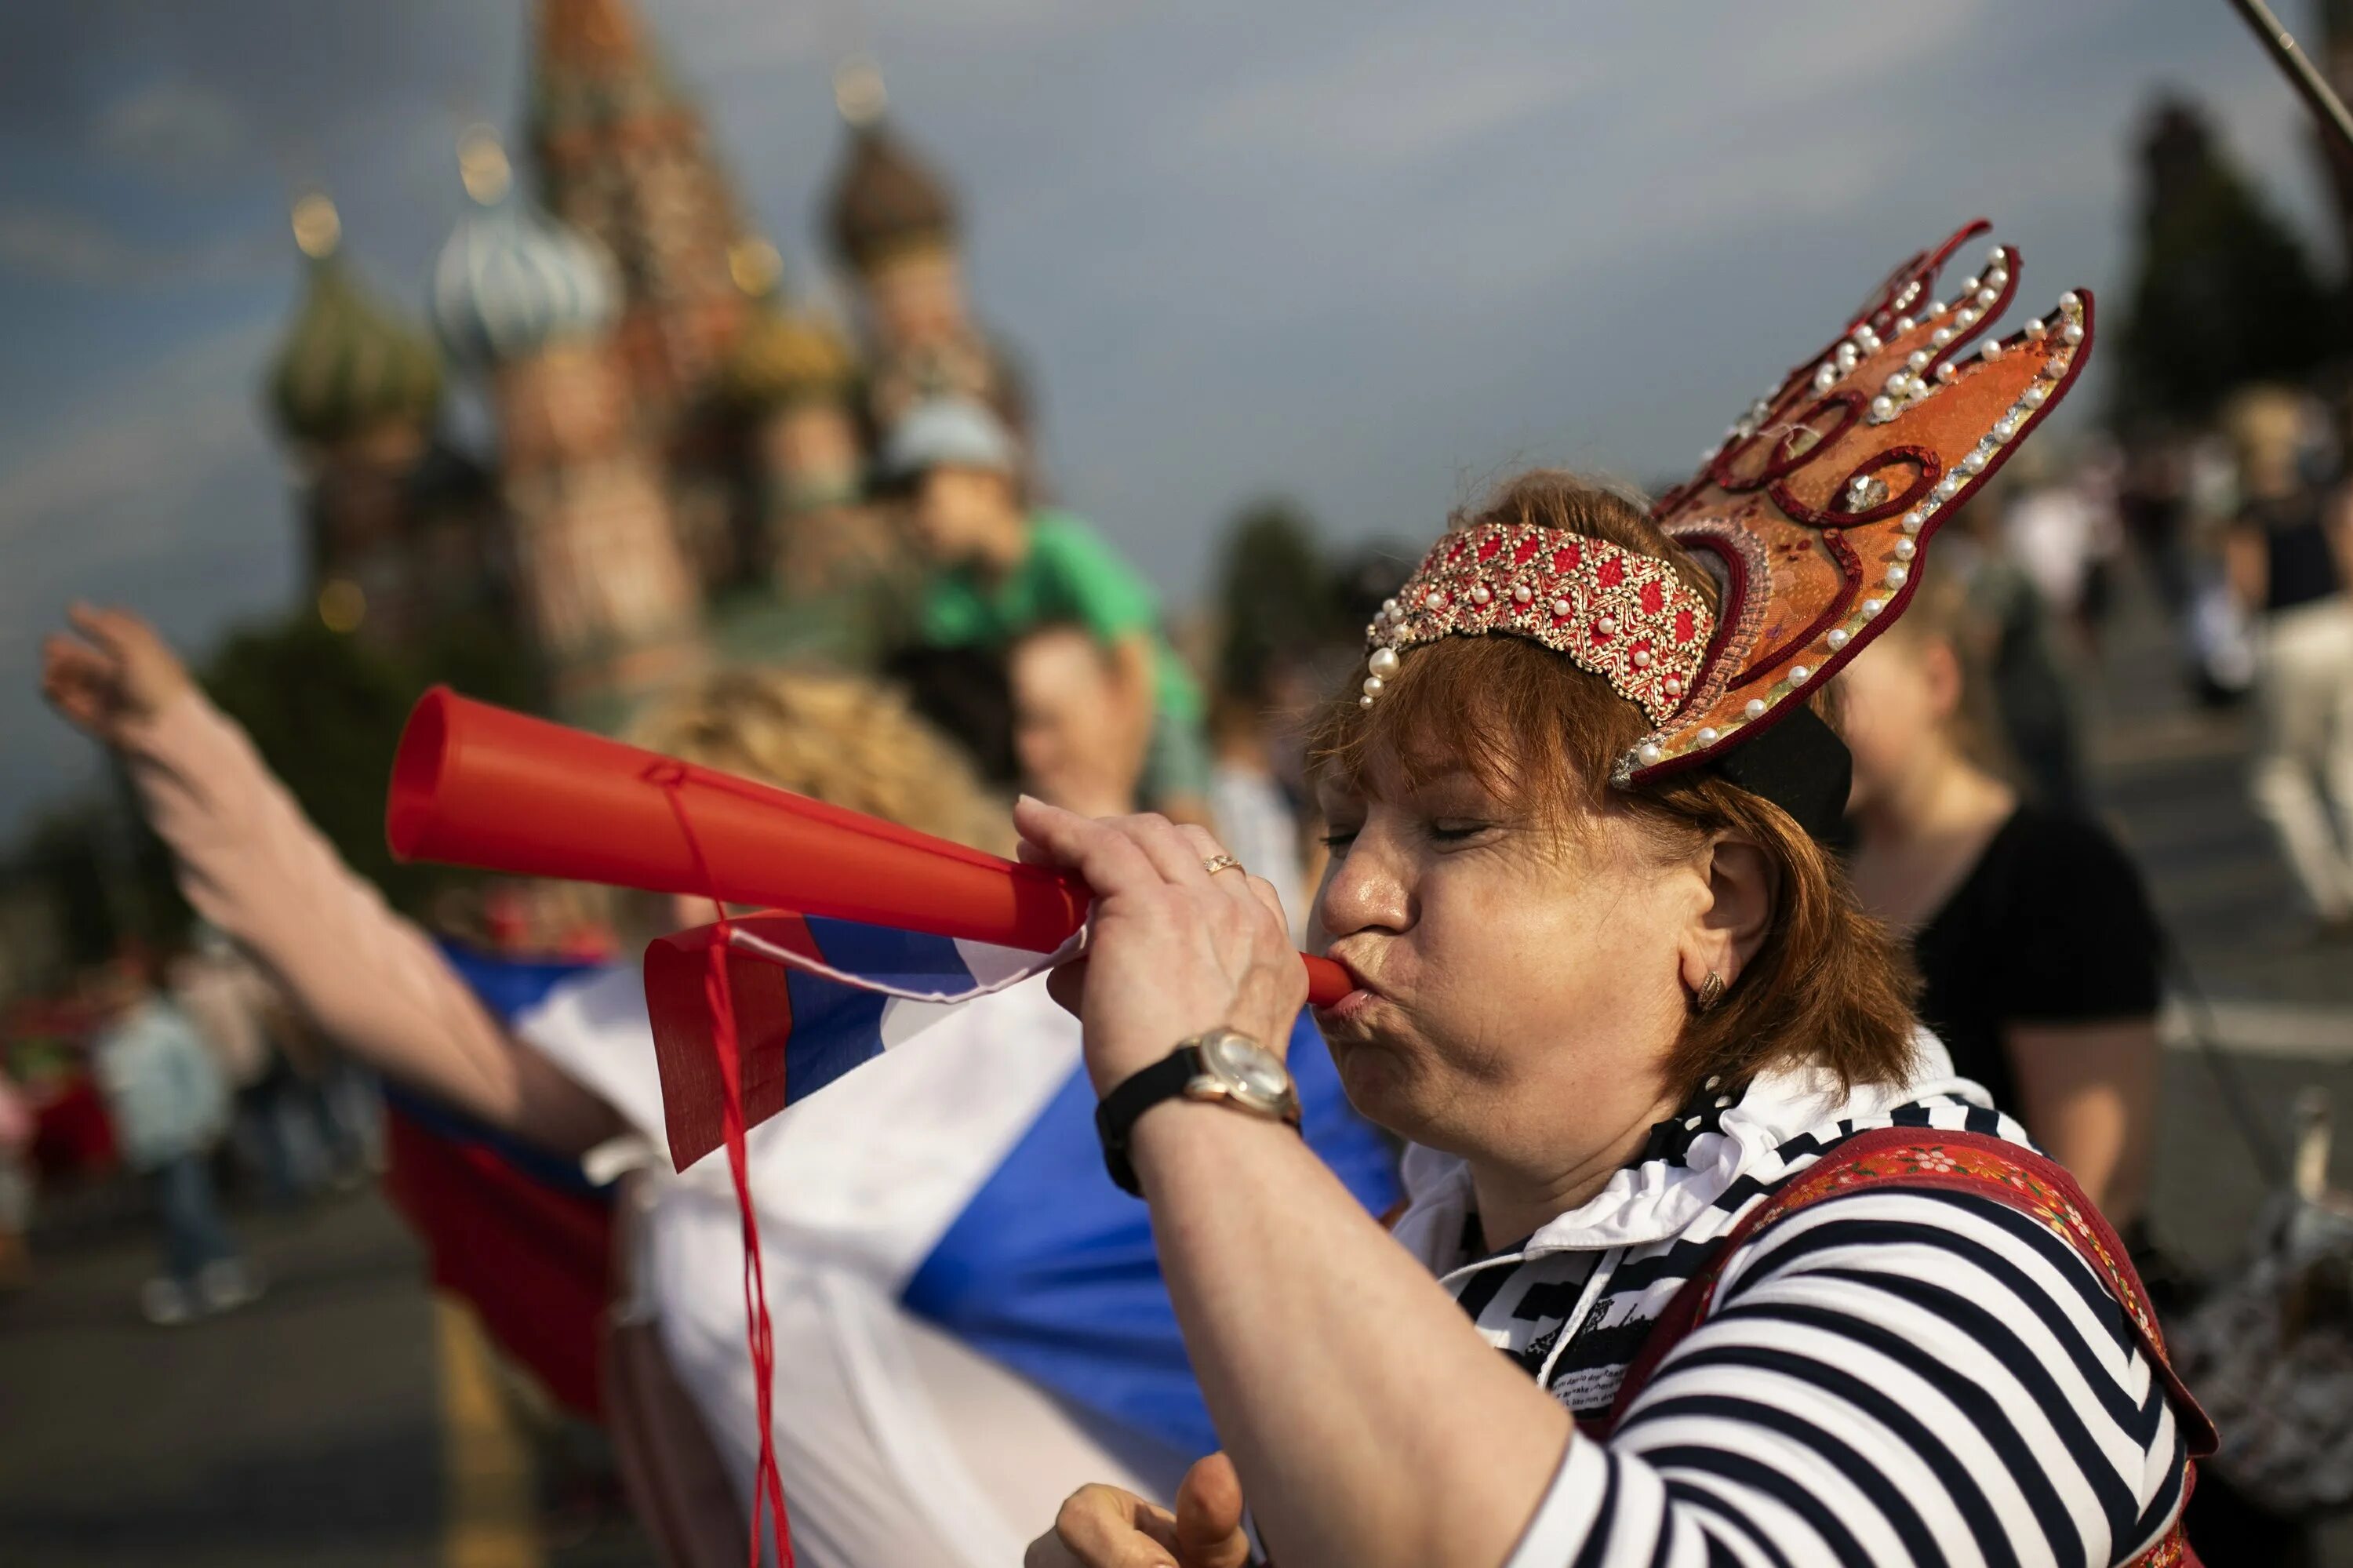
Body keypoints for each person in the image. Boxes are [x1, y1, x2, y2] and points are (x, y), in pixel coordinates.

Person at [40, 606, 1394, 1568]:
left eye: (723, 844)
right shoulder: (660, 1047)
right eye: (663, 856)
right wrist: (183, 747)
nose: (685, 896)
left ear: (848, 814)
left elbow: (1336, 1294)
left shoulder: (1062, 1025)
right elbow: (386, 988)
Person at [1024, 466, 2205, 1566]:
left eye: (1455, 826)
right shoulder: (1432, 1251)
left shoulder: (1950, 1254)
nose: (1348, 895)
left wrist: (1200, 1087)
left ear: (1717, 900)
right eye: (1344, 827)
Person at [1838, 572, 2163, 1231]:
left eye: (1829, 695)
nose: (1796, 727)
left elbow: (2091, 1196)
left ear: (1937, 679)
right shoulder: (1817, 866)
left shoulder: (2059, 873)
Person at [884, 396, 1213, 820]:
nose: (916, 520)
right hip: (1054, 735)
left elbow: (1135, 662)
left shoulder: (1063, 549)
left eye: (925, 497)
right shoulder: (949, 597)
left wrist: (1116, 782)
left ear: (988, 484)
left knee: (1187, 825)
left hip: (1149, 711)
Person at [2222, 385, 2353, 932]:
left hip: (2287, 635)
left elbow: (2247, 589)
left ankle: (2325, 894)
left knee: (2279, 778)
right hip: (2339, 625)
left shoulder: (2247, 511)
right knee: (2346, 764)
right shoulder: (2321, 492)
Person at [85, 952, 258, 1325]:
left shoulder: (167, 1029)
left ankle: (217, 1268)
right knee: (170, 1213)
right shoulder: (110, 1039)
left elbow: (202, 1075)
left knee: (189, 1207)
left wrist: (207, 1123)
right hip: (144, 1141)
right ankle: (186, 1276)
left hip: (180, 1133)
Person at [1008, 620, 1149, 817]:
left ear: (1111, 704)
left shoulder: (1189, 830)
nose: (1027, 749)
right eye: (1023, 722)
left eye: (1049, 723)